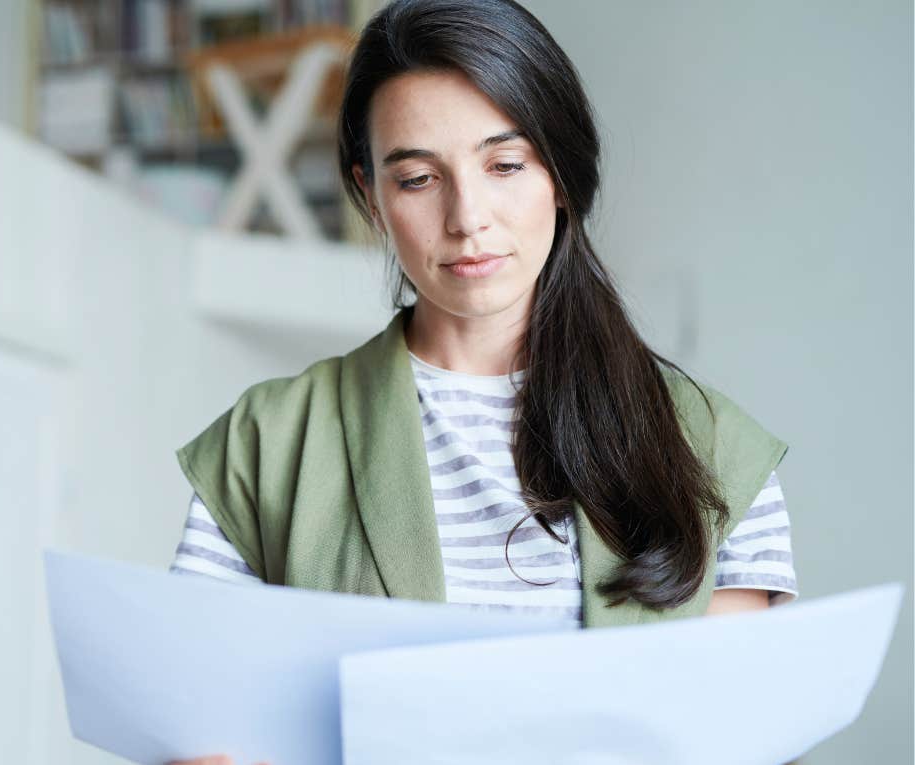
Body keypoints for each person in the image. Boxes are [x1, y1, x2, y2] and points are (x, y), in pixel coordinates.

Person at [167, 0, 796, 761]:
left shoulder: (715, 449)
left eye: (504, 165)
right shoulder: (269, 440)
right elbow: (194, 719)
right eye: (419, 178)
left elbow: (737, 735)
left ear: (559, 173)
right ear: (371, 196)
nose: (468, 217)